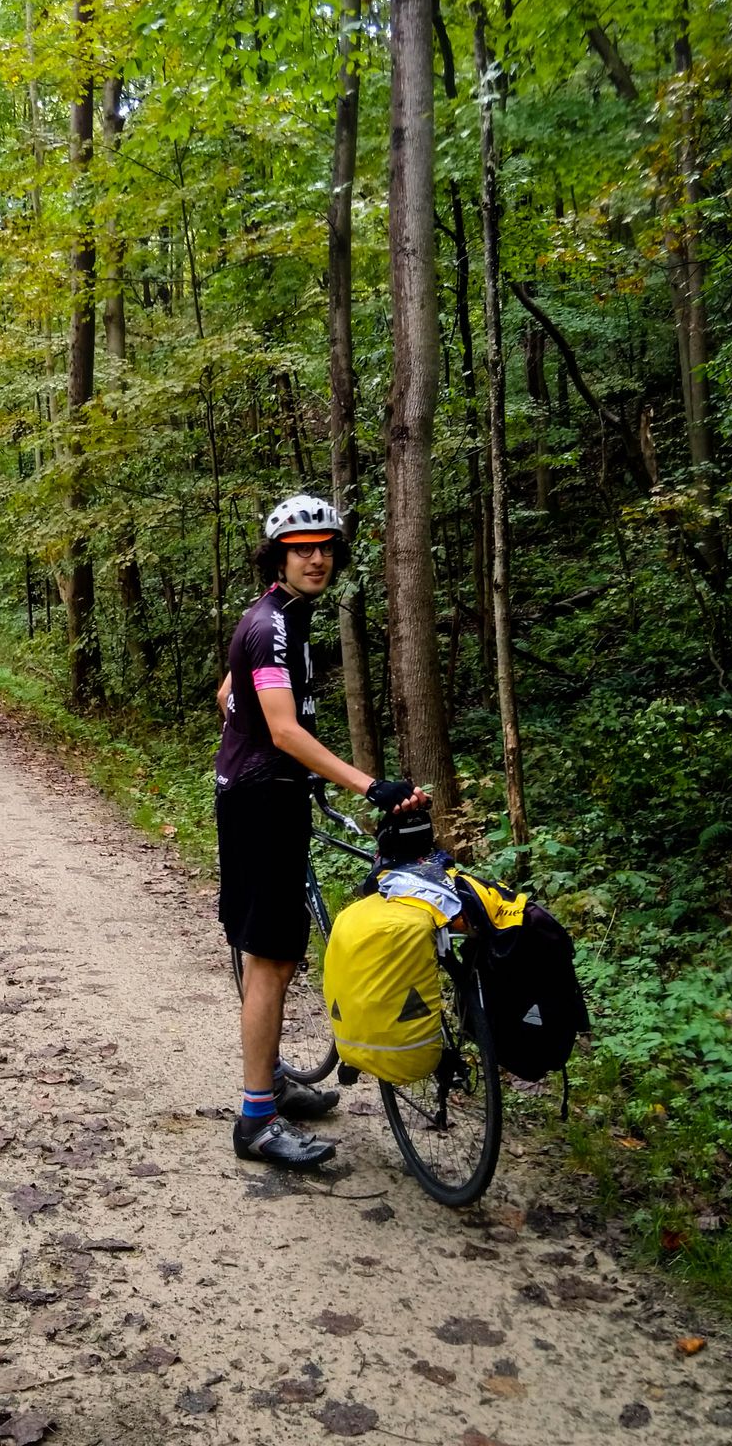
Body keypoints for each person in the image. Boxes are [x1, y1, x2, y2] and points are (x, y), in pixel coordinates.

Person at [215, 492, 431, 1170]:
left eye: (324, 547)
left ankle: (272, 1078)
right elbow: (281, 727)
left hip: (262, 792)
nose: (315, 558)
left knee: (270, 954)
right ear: (278, 555)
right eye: (301, 548)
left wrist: (251, 746)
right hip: (259, 805)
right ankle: (256, 1119)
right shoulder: (271, 625)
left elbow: (227, 695)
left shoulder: (280, 615)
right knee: (273, 960)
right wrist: (370, 785)